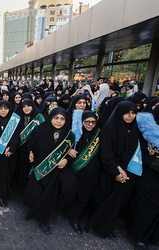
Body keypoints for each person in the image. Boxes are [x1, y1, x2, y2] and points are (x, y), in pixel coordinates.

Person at [85, 101, 140, 239]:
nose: (130, 116)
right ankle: (101, 227)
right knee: (105, 199)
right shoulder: (110, 129)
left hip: (127, 173)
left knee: (117, 203)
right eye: (127, 113)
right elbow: (106, 154)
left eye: (133, 113)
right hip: (110, 172)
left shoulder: (135, 129)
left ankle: (108, 226)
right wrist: (116, 171)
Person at [24, 107, 76, 235]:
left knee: (50, 195)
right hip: (40, 167)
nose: (59, 121)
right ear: (51, 118)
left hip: (56, 170)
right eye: (56, 118)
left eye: (62, 119)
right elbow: (30, 142)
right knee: (35, 194)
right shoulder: (40, 130)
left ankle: (43, 220)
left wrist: (66, 160)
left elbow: (72, 152)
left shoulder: (69, 135)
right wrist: (30, 151)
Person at [127, 106, 159, 248]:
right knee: (146, 205)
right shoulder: (147, 128)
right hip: (148, 174)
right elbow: (142, 152)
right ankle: (138, 235)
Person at [67, 110, 100, 235]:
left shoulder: (98, 134)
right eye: (87, 122)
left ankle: (75, 217)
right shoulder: (76, 133)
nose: (90, 124)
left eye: (93, 122)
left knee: (84, 195)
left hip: (91, 172)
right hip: (74, 170)